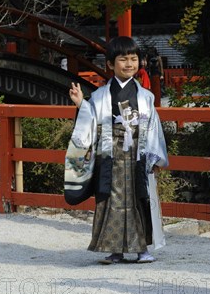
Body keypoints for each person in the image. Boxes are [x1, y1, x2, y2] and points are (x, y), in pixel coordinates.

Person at [69, 36, 168, 265]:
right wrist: (81, 104)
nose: (129, 64)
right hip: (110, 153)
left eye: (133, 59)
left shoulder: (145, 96)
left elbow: (153, 127)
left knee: (138, 198)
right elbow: (91, 121)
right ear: (111, 64)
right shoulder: (101, 95)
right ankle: (115, 250)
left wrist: (154, 156)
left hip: (137, 153)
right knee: (110, 200)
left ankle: (142, 249)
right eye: (123, 60)